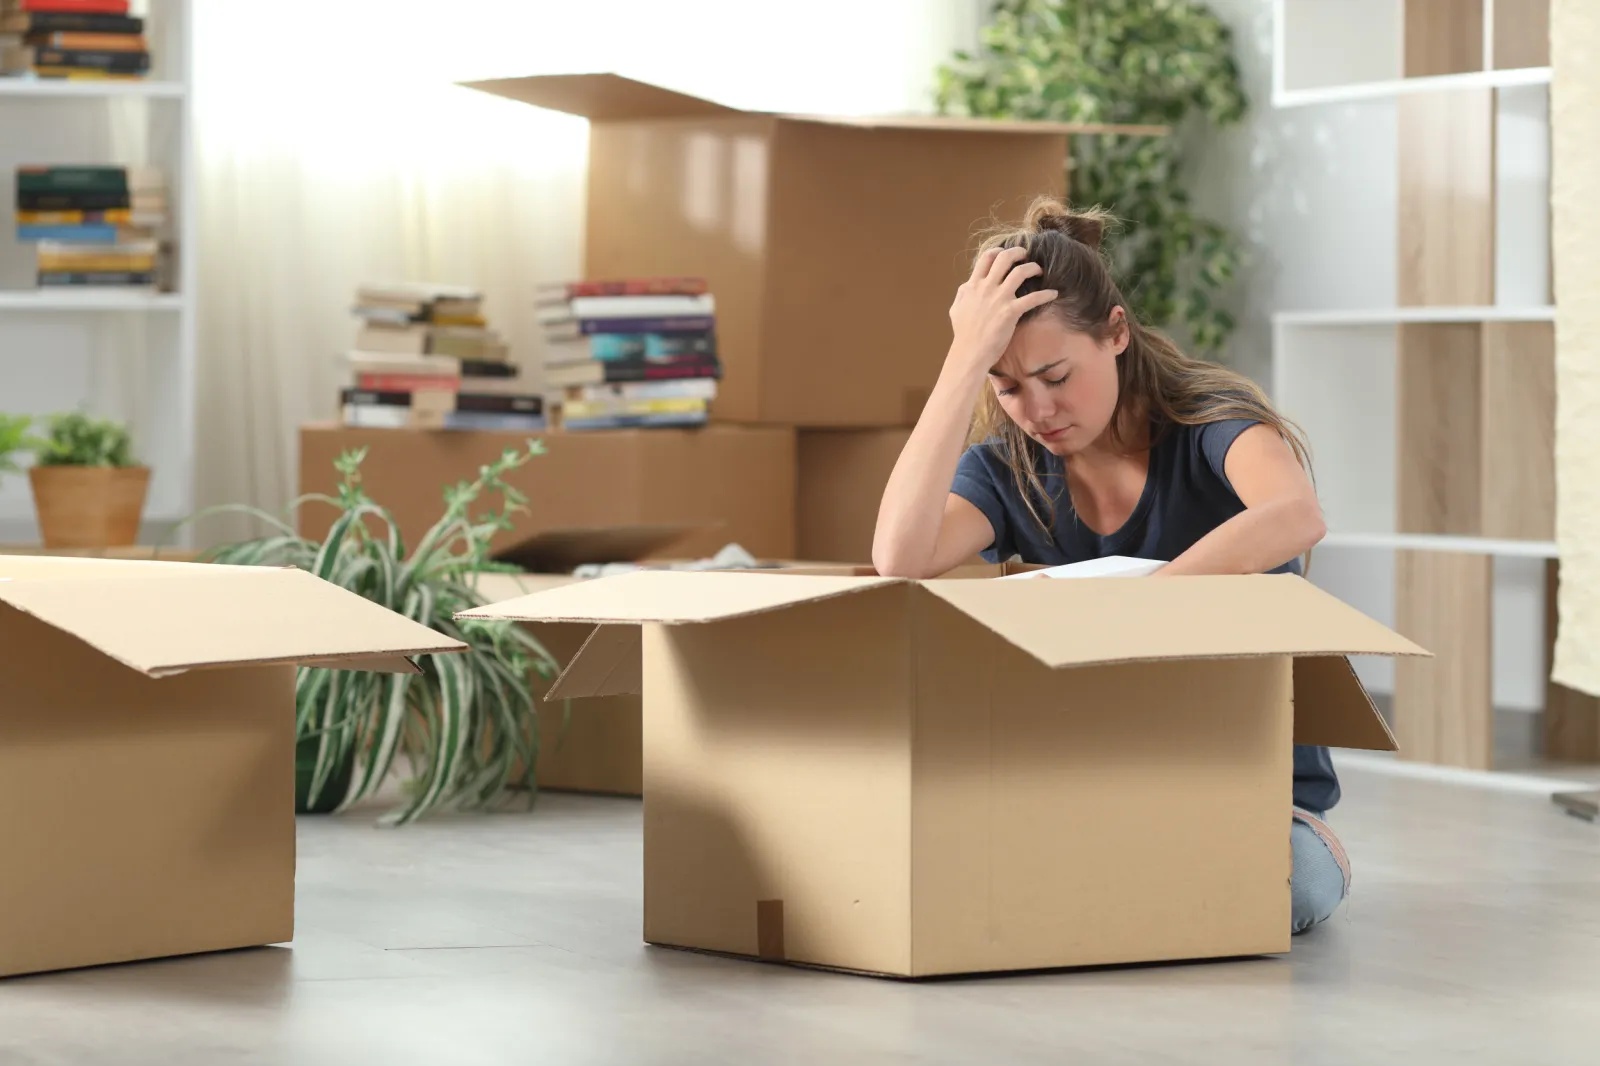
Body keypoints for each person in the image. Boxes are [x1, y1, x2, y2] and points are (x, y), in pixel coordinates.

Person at [872, 197, 1349, 935]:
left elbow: (1295, 516)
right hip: (1092, 778)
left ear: (1116, 333)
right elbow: (899, 558)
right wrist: (963, 359)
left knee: (1285, 889)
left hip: (1245, 787)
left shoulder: (1210, 426)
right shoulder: (1007, 471)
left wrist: (1126, 618)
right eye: (1007, 386)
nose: (1037, 408)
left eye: (1056, 375)